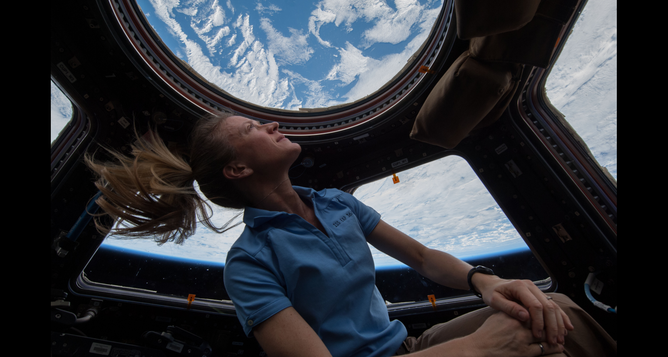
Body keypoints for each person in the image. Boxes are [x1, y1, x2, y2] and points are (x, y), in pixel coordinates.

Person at [85, 111, 617, 357]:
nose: (271, 124)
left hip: (409, 346)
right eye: (251, 130)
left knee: (558, 310)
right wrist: (477, 348)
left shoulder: (335, 203)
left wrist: (487, 283)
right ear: (238, 170)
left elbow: (425, 258)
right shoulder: (249, 264)